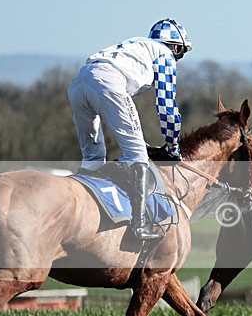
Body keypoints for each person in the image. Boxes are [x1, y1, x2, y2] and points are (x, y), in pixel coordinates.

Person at [68, 18, 192, 241]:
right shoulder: (163, 54)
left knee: (92, 159)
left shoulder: (137, 47)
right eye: (180, 53)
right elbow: (166, 106)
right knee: (138, 157)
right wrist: (173, 143)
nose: (177, 59)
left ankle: (81, 213)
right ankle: (139, 224)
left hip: (79, 82)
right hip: (109, 82)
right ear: (174, 46)